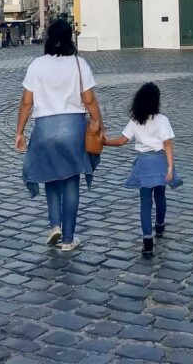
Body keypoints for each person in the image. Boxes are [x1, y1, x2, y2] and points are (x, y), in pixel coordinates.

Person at [15, 19, 103, 253]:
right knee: (71, 182)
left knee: (51, 180)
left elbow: (26, 102)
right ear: (69, 39)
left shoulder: (37, 65)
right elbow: (89, 100)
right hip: (72, 127)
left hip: (44, 128)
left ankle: (55, 226)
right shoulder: (78, 64)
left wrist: (20, 131)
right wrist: (99, 124)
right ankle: (69, 239)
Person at [103, 83, 182, 257]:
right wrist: (170, 166)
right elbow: (167, 143)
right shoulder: (163, 120)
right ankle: (160, 226)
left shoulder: (135, 120)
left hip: (144, 163)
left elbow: (122, 140)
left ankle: (147, 241)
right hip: (160, 161)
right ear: (157, 101)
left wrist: (104, 142)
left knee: (145, 202)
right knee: (160, 195)